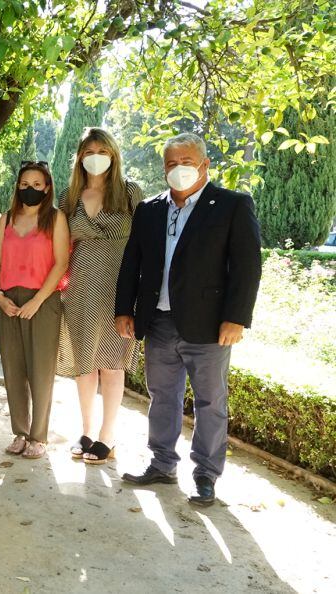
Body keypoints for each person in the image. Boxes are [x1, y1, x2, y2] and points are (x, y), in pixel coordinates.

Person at [117, 132, 262, 506]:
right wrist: (125, 309)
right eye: (171, 163)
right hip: (159, 322)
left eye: (186, 162)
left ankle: (205, 475)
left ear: (204, 164)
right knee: (162, 396)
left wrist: (236, 318)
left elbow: (247, 267)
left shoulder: (231, 205)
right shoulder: (149, 209)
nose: (178, 169)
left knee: (210, 401)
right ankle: (162, 463)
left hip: (210, 326)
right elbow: (132, 262)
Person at [56, 128, 144, 465]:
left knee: (111, 363)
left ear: (113, 155)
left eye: (102, 150)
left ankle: (108, 436)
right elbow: (58, 244)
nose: (96, 156)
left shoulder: (130, 193)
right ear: (80, 156)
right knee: (84, 366)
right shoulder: (70, 196)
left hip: (117, 290)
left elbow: (144, 245)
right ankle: (87, 431)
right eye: (89, 150)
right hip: (79, 289)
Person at [0, 161, 70, 460]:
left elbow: (61, 263)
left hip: (44, 301)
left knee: (41, 371)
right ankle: (20, 432)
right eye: (25, 184)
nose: (30, 189)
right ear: (17, 186)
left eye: (37, 185)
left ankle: (39, 436)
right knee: (13, 368)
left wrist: (37, 301)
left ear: (47, 188)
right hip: (8, 301)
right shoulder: (6, 219)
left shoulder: (56, 219)